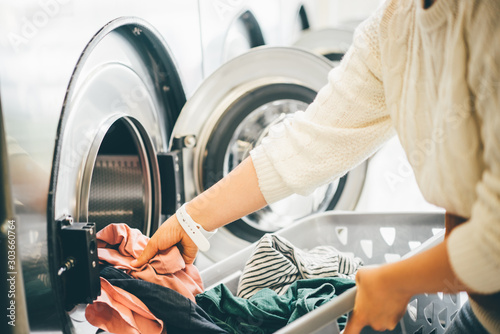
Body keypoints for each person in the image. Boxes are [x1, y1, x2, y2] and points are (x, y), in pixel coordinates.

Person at [132, 0, 500, 332]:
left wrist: (397, 281)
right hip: (483, 308)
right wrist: (192, 219)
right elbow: (313, 140)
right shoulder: (398, 22)